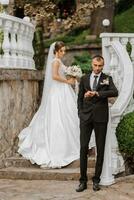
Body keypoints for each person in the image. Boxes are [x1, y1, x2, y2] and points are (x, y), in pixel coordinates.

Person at [18, 41, 80, 168]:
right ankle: (59, 148)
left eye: (64, 50)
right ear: (56, 51)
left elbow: (60, 74)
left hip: (62, 90)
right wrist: (68, 81)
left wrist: (72, 73)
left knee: (68, 115)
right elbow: (55, 76)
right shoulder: (56, 62)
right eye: (62, 50)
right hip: (58, 91)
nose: (63, 53)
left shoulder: (58, 61)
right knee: (59, 116)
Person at [76, 55, 118, 192]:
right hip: (86, 117)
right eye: (95, 65)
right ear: (91, 64)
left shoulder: (107, 78)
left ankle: (96, 180)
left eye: (100, 66)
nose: (97, 68)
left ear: (103, 66)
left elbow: (114, 91)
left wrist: (98, 94)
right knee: (83, 147)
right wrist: (80, 113)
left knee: (100, 149)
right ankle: (82, 181)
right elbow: (80, 97)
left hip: (101, 118)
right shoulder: (84, 78)